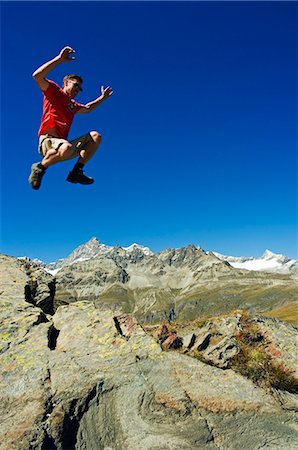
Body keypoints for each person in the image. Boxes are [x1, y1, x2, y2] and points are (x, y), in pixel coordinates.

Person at [29, 46, 113, 190]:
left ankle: (76, 172)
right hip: (47, 140)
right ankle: (39, 167)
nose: (77, 90)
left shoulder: (73, 105)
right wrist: (59, 59)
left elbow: (88, 109)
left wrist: (102, 98)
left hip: (62, 146)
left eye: (79, 89)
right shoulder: (54, 92)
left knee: (95, 136)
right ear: (66, 83)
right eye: (75, 85)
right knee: (65, 147)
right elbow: (37, 76)